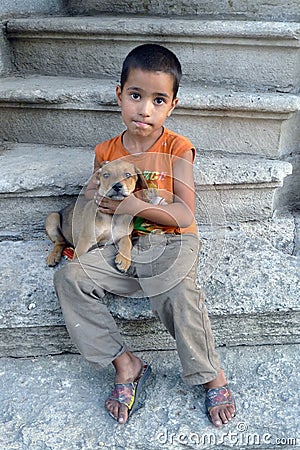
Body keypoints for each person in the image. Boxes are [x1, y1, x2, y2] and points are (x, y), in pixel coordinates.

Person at [53, 43, 236, 427]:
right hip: (119, 240)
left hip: (171, 239)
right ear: (119, 95)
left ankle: (210, 373)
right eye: (136, 95)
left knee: (176, 288)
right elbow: (91, 195)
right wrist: (93, 201)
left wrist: (135, 208)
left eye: (158, 100)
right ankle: (127, 364)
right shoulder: (106, 151)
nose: (145, 109)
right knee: (70, 278)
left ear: (172, 105)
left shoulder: (177, 147)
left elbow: (184, 213)